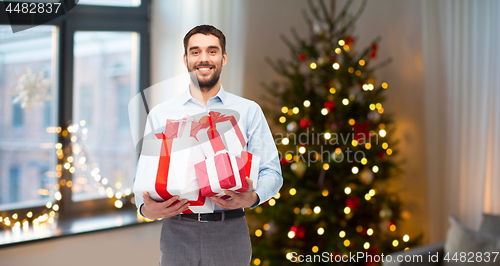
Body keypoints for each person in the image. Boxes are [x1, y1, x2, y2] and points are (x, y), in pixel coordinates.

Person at [134, 25, 283, 266]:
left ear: (223, 58)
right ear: (185, 59)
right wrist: (144, 208)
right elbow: (142, 176)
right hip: (177, 232)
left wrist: (251, 198)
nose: (204, 59)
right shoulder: (161, 114)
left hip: (230, 230)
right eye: (195, 52)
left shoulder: (248, 111)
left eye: (212, 51)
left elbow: (272, 171)